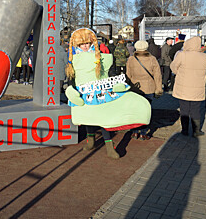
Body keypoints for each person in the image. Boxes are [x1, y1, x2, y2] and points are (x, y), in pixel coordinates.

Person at [65, 28, 119, 159]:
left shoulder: (99, 55)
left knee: (103, 118)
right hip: (84, 91)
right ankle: (91, 141)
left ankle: (109, 146)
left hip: (99, 91)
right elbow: (71, 76)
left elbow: (109, 70)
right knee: (87, 117)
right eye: (82, 44)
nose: (85, 46)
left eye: (87, 43)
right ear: (77, 45)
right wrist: (72, 88)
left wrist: (114, 80)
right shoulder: (74, 58)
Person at [170, 36, 206, 137]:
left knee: (184, 109)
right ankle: (196, 130)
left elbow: (173, 67)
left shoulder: (182, 55)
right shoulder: (205, 56)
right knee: (196, 109)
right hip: (198, 87)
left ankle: (185, 130)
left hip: (183, 87)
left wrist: (180, 73)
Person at [126, 40, 163, 140]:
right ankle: (143, 132)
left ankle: (134, 132)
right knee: (146, 111)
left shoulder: (131, 59)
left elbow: (128, 75)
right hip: (149, 87)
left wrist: (127, 88)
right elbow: (157, 75)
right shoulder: (152, 59)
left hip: (135, 88)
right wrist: (158, 88)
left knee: (135, 110)